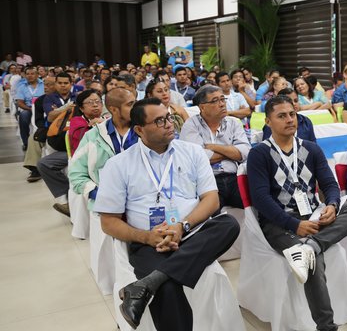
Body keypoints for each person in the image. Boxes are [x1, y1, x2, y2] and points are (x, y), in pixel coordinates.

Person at [94, 98, 240, 330]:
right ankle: (157, 282)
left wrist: (182, 226)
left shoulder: (192, 152)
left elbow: (211, 199)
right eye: (159, 120)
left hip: (191, 232)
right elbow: (108, 222)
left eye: (170, 117)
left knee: (229, 224)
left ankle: (147, 283)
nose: (169, 124)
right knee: (168, 289)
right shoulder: (119, 164)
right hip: (148, 241)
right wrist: (146, 237)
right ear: (139, 130)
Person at [247, 94, 347, 331]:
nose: (290, 120)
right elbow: (261, 200)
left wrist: (332, 205)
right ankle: (326, 326)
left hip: (314, 216)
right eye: (281, 116)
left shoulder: (310, 149)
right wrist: (294, 225)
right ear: (268, 121)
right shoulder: (259, 153)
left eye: (292, 114)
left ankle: (312, 244)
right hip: (279, 223)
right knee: (312, 260)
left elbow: (330, 185)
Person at [180, 85, 250, 209]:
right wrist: (230, 151)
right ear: (202, 107)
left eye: (223, 99)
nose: (222, 104)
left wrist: (213, 147)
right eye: (215, 101)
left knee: (257, 203)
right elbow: (197, 158)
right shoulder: (191, 125)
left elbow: (244, 153)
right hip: (206, 181)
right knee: (210, 215)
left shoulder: (234, 123)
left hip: (234, 178)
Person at [69, 88, 139, 206]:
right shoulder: (93, 135)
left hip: (141, 201)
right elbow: (76, 172)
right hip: (105, 205)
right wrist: (96, 193)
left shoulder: (144, 130)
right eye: (130, 104)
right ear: (113, 109)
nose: (136, 108)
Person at [39, 72, 78, 216]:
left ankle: (75, 200)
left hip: (79, 143)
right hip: (60, 142)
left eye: (65, 83)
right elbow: (50, 116)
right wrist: (68, 108)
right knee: (43, 164)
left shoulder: (79, 96)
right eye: (60, 83)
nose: (63, 85)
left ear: (71, 84)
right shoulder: (49, 98)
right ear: (55, 84)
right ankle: (66, 199)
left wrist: (59, 111)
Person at [23, 75, 55, 182]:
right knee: (33, 138)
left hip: (67, 128)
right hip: (47, 128)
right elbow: (38, 120)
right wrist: (46, 128)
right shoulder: (40, 101)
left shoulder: (65, 98)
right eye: (45, 85)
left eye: (49, 85)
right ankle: (34, 168)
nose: (46, 87)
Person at [15, 66, 44, 150]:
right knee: (23, 116)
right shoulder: (22, 87)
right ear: (25, 75)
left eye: (32, 74)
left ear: (37, 75)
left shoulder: (44, 84)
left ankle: (43, 139)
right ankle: (26, 143)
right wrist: (30, 109)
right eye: (27, 74)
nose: (29, 76)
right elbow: (19, 102)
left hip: (42, 108)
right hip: (29, 108)